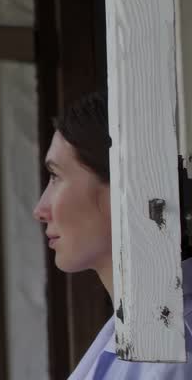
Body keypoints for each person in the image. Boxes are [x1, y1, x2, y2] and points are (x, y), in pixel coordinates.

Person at [34, 91, 192, 379]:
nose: (40, 210)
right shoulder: (137, 328)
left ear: (121, 190)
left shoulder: (173, 349)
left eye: (56, 176)